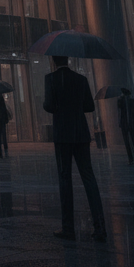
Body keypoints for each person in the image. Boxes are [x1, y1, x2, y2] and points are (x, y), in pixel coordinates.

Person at [43, 56, 106, 243]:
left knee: (65, 178)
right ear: (68, 60)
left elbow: (48, 105)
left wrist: (60, 107)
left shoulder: (51, 79)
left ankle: (68, 227)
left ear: (53, 61)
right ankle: (100, 226)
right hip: (80, 133)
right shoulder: (81, 79)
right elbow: (89, 106)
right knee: (89, 178)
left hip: (62, 134)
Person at [117, 87, 134, 164]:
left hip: (126, 123)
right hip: (129, 123)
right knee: (132, 140)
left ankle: (131, 158)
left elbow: (119, 112)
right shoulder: (130, 101)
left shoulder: (121, 101)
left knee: (128, 141)